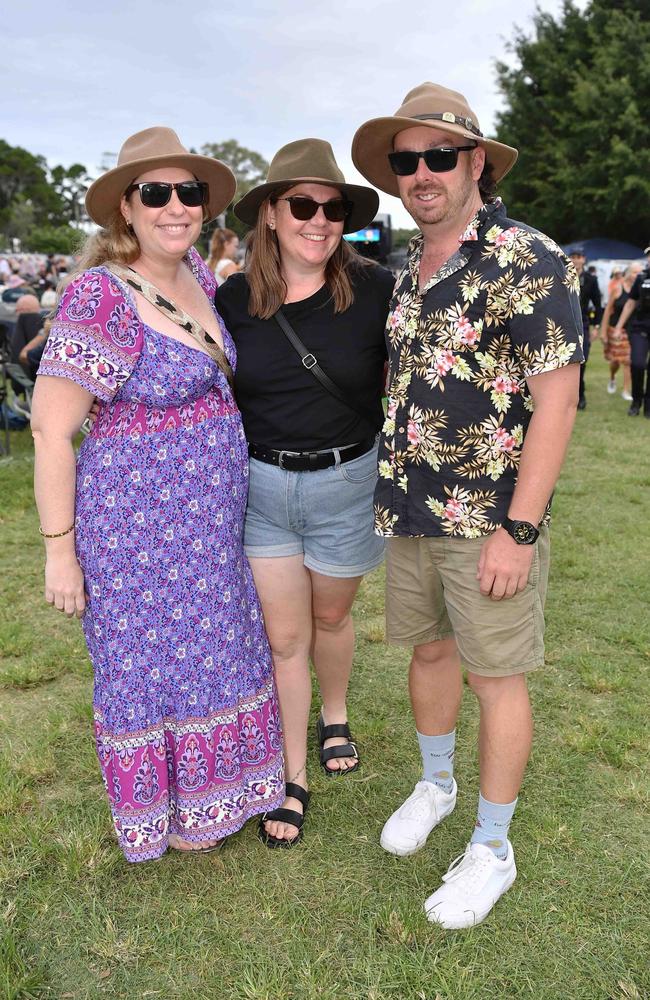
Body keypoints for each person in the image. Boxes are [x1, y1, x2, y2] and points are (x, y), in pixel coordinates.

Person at [352, 82, 583, 928]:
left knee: (497, 677)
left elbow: (558, 401)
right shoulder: (410, 271)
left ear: (475, 162)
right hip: (411, 509)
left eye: (438, 156)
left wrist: (518, 529)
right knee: (427, 656)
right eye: (405, 161)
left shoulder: (527, 256)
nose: (421, 173)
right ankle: (437, 785)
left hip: (490, 516)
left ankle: (493, 845)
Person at [30, 127, 284, 863]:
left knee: (213, 649)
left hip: (206, 525)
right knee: (147, 666)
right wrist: (59, 553)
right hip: (137, 530)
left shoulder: (198, 275)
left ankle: (219, 795)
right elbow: (51, 432)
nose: (176, 206)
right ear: (126, 210)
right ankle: (163, 810)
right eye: (156, 193)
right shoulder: (99, 295)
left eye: (189, 192)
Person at [215, 139, 394, 847]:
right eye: (302, 205)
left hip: (348, 483)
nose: (319, 221)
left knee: (331, 619)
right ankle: (294, 777)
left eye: (333, 208)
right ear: (269, 213)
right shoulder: (232, 297)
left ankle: (337, 712)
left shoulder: (376, 287)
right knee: (286, 640)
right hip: (262, 486)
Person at [613, 245, 650, 417]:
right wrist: (619, 326)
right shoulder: (641, 278)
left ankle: (648, 405)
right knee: (637, 363)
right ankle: (636, 401)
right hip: (640, 327)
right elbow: (630, 303)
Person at [567, 245, 602, 410]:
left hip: (584, 322)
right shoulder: (563, 275)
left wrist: (596, 326)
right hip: (566, 323)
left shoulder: (590, 279)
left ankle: (580, 393)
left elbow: (597, 303)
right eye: (573, 256)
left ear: (583, 259)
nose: (575, 260)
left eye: (578, 256)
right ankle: (568, 395)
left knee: (582, 360)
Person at [600, 263, 641, 400]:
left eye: (639, 272)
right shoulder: (617, 288)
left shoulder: (641, 289)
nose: (637, 275)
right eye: (635, 272)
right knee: (615, 361)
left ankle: (625, 390)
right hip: (616, 329)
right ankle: (612, 377)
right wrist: (603, 332)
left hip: (633, 329)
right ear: (628, 273)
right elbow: (607, 311)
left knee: (628, 361)